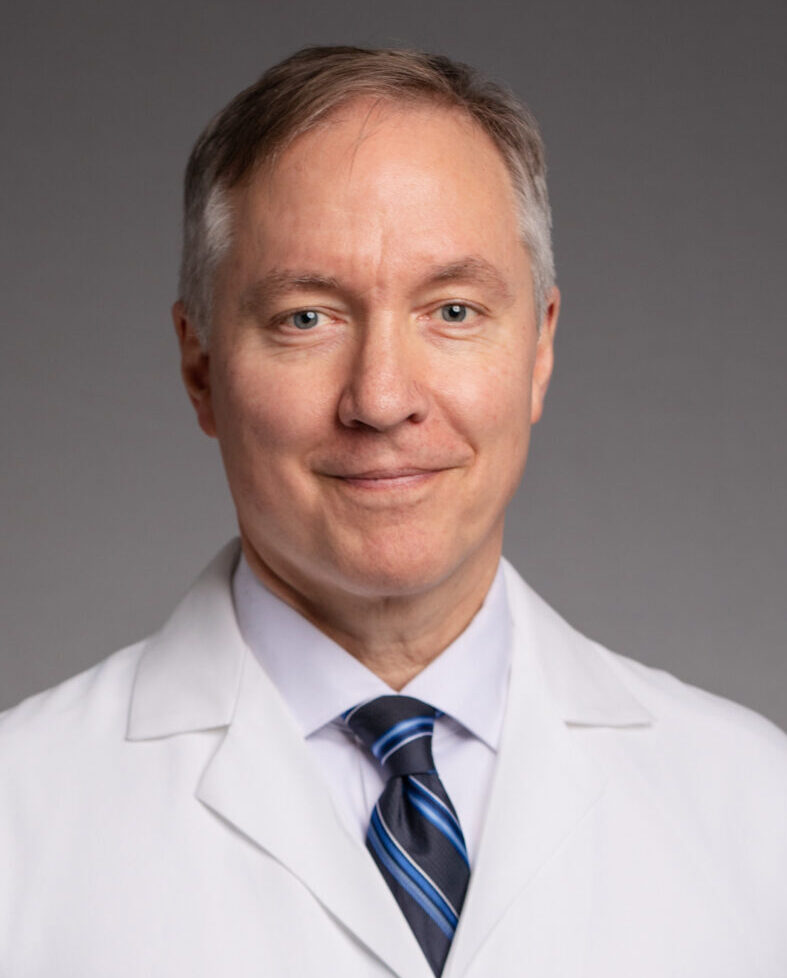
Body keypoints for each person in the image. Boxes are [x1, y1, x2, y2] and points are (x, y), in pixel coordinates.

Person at [1, 45, 785, 978]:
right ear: (200, 365)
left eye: (452, 311)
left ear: (538, 349)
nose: (380, 398)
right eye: (306, 317)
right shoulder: (22, 815)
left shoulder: (754, 805)